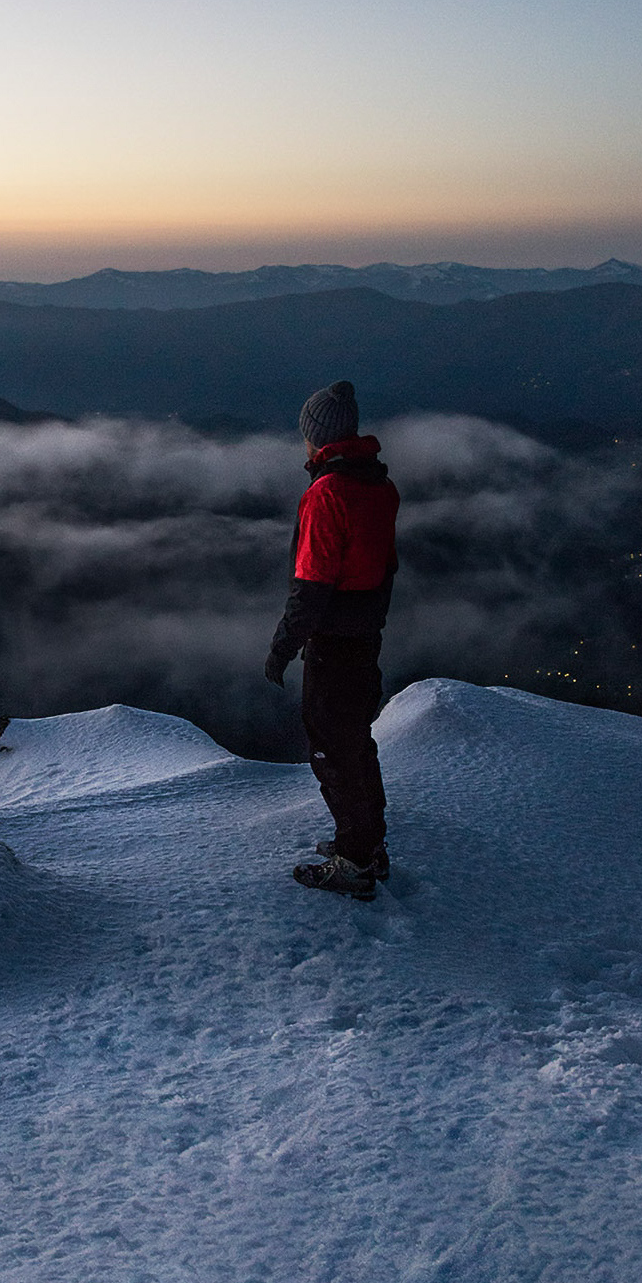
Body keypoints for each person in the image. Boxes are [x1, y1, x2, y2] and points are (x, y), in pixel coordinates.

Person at [265, 380, 399, 900]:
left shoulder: (326, 494)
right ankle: (367, 844)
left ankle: (355, 863)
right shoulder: (379, 486)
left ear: (317, 438)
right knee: (356, 742)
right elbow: (385, 568)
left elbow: (312, 586)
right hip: (364, 637)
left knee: (332, 750)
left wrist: (282, 647)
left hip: (334, 642)